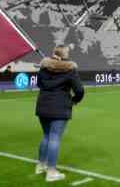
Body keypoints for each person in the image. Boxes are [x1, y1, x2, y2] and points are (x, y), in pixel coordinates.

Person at [35, 45, 85, 182]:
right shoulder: (70, 70)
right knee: (54, 137)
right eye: (68, 52)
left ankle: (40, 165)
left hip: (43, 104)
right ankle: (51, 172)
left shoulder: (43, 67)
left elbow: (39, 84)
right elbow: (79, 90)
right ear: (65, 54)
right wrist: (74, 100)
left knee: (46, 136)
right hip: (60, 106)